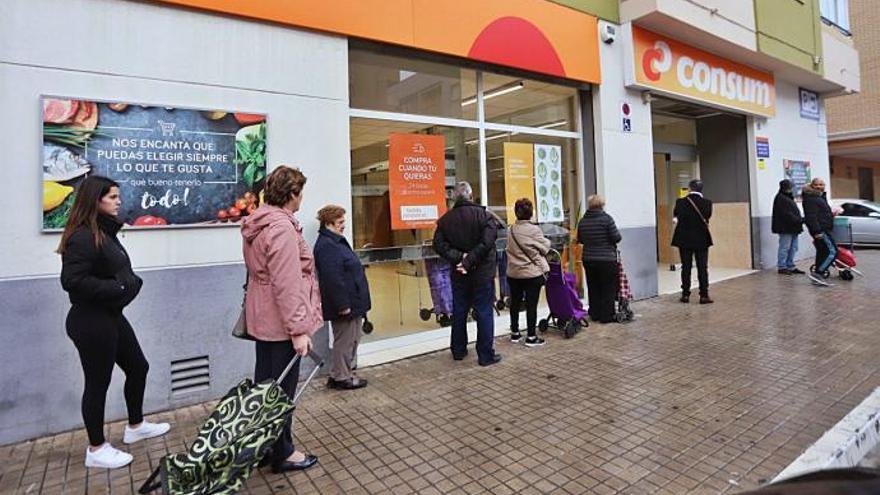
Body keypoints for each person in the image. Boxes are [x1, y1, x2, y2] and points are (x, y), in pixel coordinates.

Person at [58, 175, 170, 469]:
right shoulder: (82, 236)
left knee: (138, 367)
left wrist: (127, 285)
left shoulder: (104, 232)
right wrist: (118, 289)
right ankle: (96, 449)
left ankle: (135, 426)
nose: (118, 201)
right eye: (112, 197)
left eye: (118, 196)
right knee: (98, 383)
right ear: (95, 201)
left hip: (110, 316)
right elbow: (72, 281)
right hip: (91, 321)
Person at [241, 165, 323, 473]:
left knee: (266, 388)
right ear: (292, 194)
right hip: (280, 324)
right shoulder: (281, 228)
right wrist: (298, 330)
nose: (302, 199)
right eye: (301, 192)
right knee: (281, 392)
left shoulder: (259, 222)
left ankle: (266, 446)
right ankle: (283, 452)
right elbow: (287, 284)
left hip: (264, 319)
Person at [433, 181, 502, 366]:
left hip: (459, 273)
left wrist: (460, 259)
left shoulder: (446, 220)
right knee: (484, 312)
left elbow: (438, 245)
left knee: (460, 311)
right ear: (471, 196)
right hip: (482, 274)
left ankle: (458, 350)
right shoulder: (484, 217)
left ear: (454, 198)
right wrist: (468, 260)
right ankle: (485, 355)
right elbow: (487, 243)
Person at [313, 204, 370, 390]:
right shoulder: (327, 245)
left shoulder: (334, 241)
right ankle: (341, 377)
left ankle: (340, 373)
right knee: (345, 341)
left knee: (352, 339)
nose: (343, 225)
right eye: (340, 222)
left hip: (353, 301)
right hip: (345, 304)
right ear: (328, 224)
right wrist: (343, 305)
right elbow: (332, 279)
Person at [506, 198, 551, 347]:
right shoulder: (534, 230)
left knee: (515, 303)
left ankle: (515, 333)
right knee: (531, 305)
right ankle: (531, 337)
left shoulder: (510, 229)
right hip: (531, 274)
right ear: (530, 213)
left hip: (513, 273)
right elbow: (545, 248)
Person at [577, 195, 622, 323]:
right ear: (602, 205)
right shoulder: (607, 219)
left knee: (593, 286)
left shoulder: (583, 221)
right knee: (608, 287)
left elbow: (580, 239)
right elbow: (616, 237)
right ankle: (606, 316)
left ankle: (595, 313)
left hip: (588, 258)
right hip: (606, 259)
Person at [672, 179, 714, 304]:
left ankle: (685, 294)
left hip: (684, 239)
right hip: (701, 239)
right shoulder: (707, 203)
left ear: (690, 188)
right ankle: (704, 295)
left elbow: (676, 215)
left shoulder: (680, 202)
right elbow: (707, 216)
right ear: (701, 189)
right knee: (702, 267)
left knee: (686, 267)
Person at [802, 177, 837, 283]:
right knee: (832, 252)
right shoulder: (811, 198)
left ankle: (817, 273)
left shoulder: (819, 197)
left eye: (821, 184)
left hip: (824, 229)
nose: (819, 186)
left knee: (822, 252)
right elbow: (811, 217)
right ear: (812, 186)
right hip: (821, 230)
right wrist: (816, 232)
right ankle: (818, 273)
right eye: (816, 185)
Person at [772, 179, 805, 275]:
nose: (791, 189)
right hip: (785, 228)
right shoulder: (780, 198)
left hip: (793, 227)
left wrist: (799, 220)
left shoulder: (788, 197)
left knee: (793, 247)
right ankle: (782, 267)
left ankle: (790, 265)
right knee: (785, 247)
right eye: (789, 187)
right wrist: (800, 220)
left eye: (791, 187)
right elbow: (786, 214)